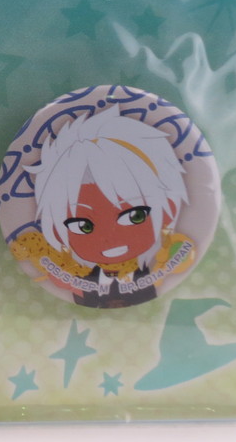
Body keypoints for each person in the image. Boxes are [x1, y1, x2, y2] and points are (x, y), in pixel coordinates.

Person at [13, 105, 191, 308]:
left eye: (134, 216)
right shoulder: (76, 280)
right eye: (83, 226)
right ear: (56, 229)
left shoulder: (155, 271)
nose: (110, 236)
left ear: (168, 211)